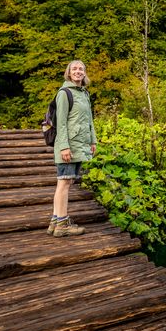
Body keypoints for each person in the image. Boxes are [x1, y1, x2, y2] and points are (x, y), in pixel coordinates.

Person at [47, 60, 97, 237]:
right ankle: (62, 224)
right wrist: (64, 147)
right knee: (64, 184)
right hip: (68, 147)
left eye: (81, 69)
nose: (78, 71)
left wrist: (93, 141)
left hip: (80, 145)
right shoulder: (64, 93)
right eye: (74, 69)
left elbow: (89, 120)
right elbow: (60, 123)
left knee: (65, 182)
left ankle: (55, 221)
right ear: (68, 73)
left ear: (84, 73)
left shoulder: (84, 93)